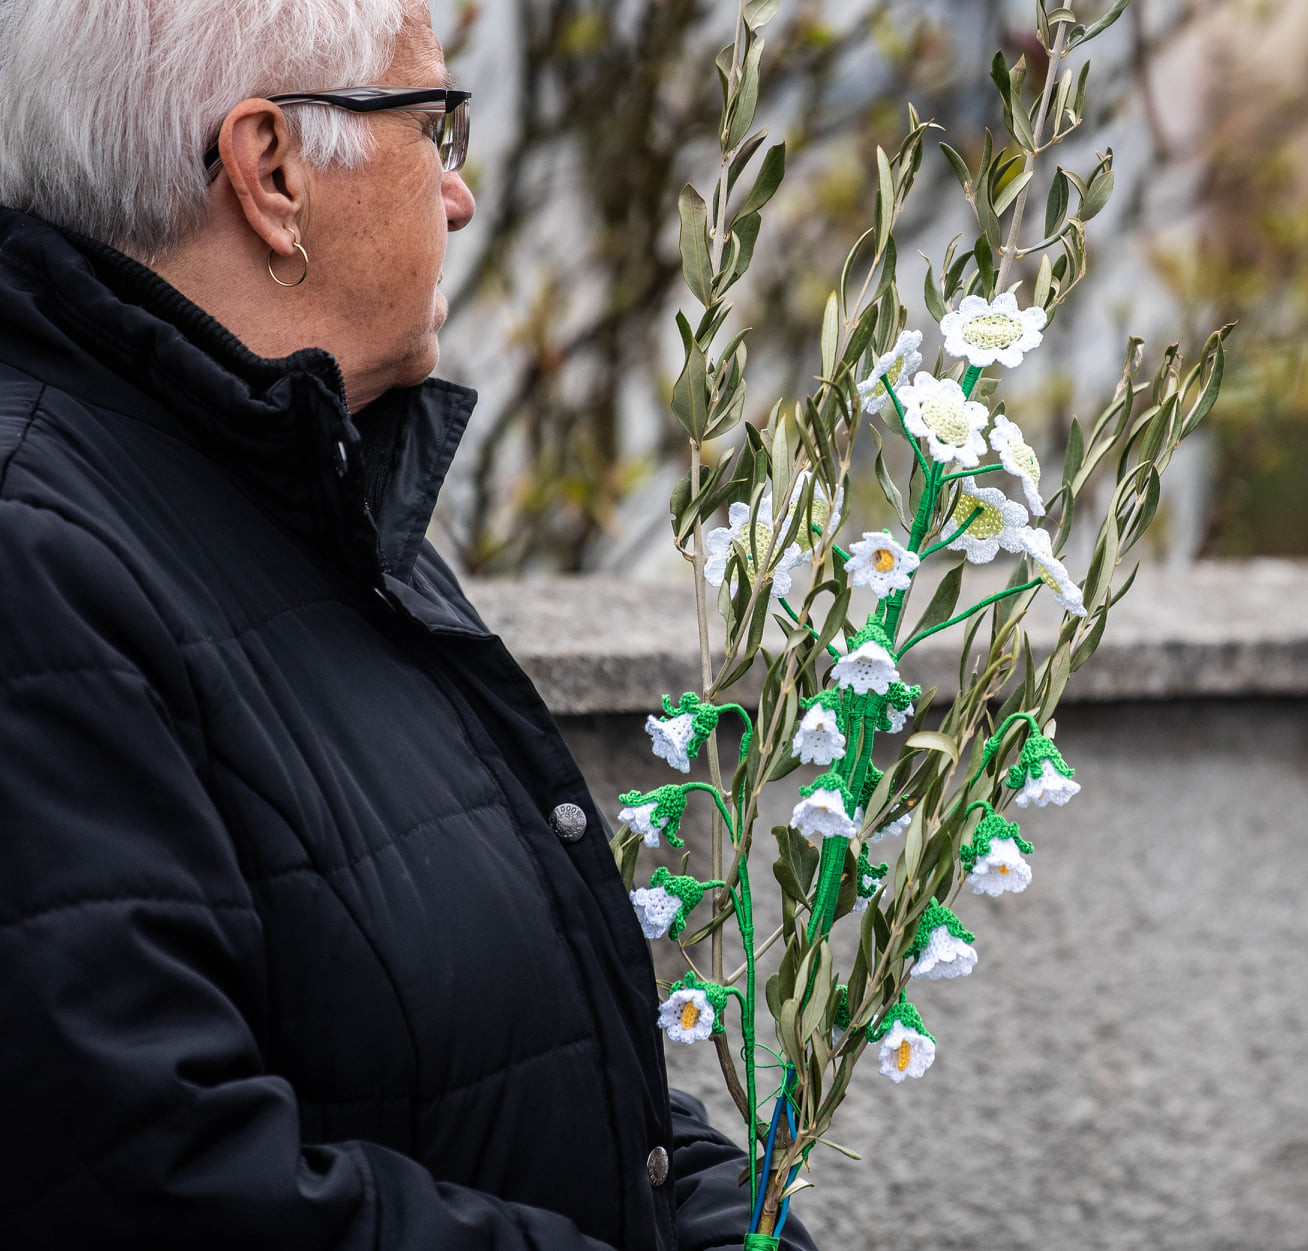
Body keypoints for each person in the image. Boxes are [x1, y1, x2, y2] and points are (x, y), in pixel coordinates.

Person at [0, 3, 810, 1248]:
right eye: (435, 127)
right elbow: (154, 1179)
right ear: (271, 170)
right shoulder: (41, 560)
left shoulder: (299, 483)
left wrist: (727, 1222)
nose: (460, 195)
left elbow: (558, 1052)